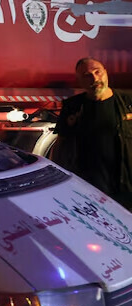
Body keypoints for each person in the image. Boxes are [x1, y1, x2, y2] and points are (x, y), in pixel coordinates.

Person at [54, 58, 132, 206]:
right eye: (87, 75)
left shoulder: (128, 101)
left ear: (106, 73)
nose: (95, 78)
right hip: (91, 189)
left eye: (98, 72)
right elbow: (61, 144)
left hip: (127, 189)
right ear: (79, 81)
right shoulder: (73, 107)